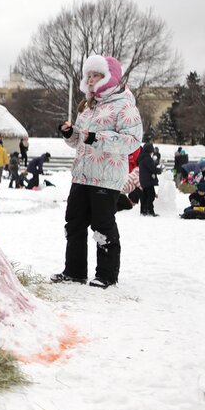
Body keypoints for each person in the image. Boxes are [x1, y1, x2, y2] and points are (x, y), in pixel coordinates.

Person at [52, 54, 142, 288]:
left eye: (96, 75)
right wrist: (70, 134)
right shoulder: (88, 106)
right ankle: (74, 271)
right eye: (88, 75)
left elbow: (132, 140)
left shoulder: (124, 105)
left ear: (109, 77)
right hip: (82, 174)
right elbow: (80, 140)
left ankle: (107, 275)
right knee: (74, 222)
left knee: (103, 225)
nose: (90, 80)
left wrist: (96, 138)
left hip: (107, 177)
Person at [137, 142, 162, 216]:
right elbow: (153, 169)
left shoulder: (142, 157)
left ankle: (143, 211)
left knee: (144, 195)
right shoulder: (147, 158)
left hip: (143, 180)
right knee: (151, 195)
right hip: (148, 180)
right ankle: (150, 211)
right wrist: (159, 170)